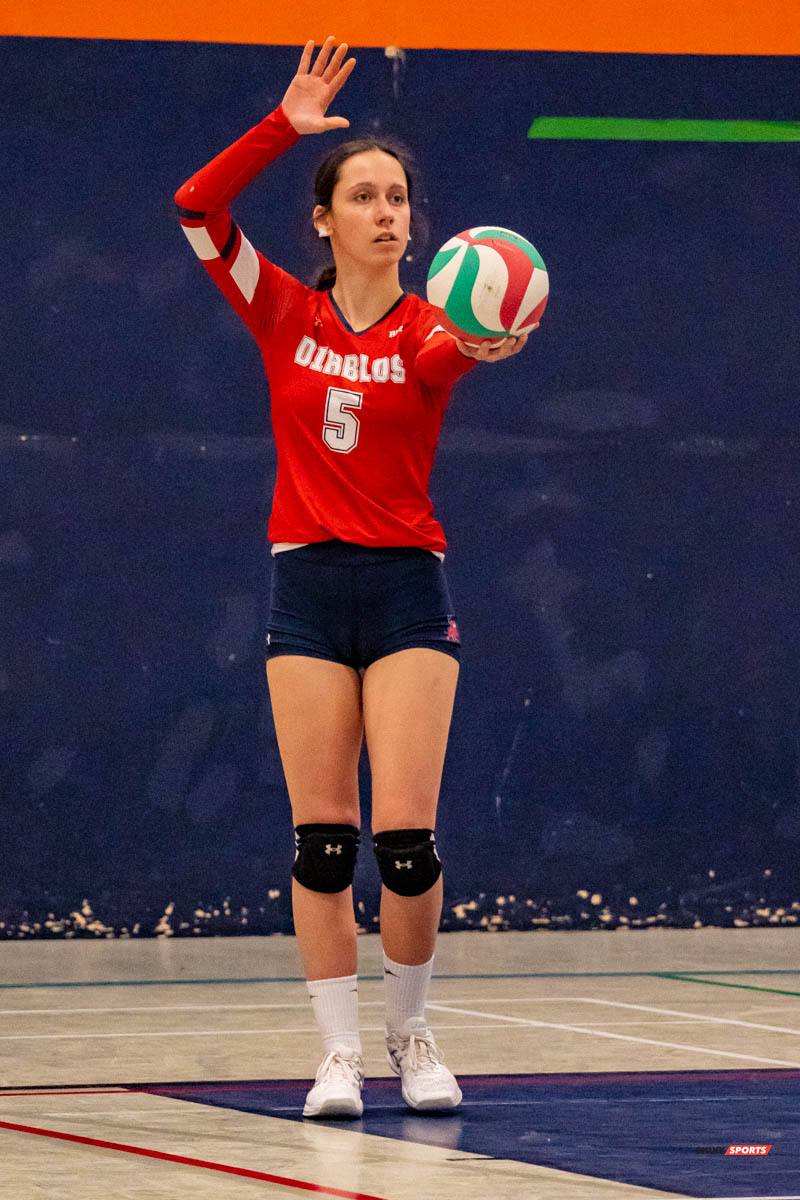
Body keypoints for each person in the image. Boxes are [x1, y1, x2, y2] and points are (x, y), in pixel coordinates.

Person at [175, 37, 531, 1119]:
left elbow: (450, 353)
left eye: (398, 199)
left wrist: (487, 334)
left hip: (405, 591)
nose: (386, 212)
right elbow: (196, 208)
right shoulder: (282, 311)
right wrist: (284, 127)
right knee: (321, 841)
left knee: (406, 845)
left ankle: (410, 1034)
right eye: (363, 197)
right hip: (307, 589)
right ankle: (337, 1056)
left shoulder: (432, 329)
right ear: (324, 219)